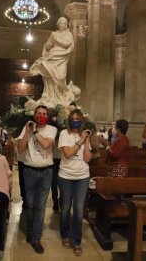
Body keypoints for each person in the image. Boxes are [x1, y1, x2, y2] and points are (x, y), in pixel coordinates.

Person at [17, 105, 57, 254]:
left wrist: (34, 131)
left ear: (47, 116)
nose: (41, 115)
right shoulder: (27, 128)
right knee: (30, 204)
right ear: (34, 115)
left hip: (46, 172)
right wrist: (27, 132)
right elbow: (20, 149)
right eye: (38, 113)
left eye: (44, 114)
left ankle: (36, 238)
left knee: (40, 206)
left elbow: (46, 144)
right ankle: (31, 230)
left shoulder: (52, 130)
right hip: (29, 171)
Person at [57, 109, 91, 257]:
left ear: (81, 120)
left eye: (78, 118)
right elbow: (67, 153)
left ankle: (76, 241)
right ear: (69, 120)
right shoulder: (65, 134)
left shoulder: (85, 135)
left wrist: (87, 140)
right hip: (65, 176)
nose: (75, 120)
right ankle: (65, 235)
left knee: (78, 211)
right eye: (73, 118)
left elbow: (88, 159)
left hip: (82, 176)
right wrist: (81, 141)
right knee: (65, 209)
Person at [29, 17, 80, 107]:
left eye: (64, 23)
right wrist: (51, 40)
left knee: (60, 76)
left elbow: (67, 43)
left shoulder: (68, 34)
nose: (62, 25)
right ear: (58, 24)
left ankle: (61, 95)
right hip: (52, 56)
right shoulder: (54, 34)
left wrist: (55, 39)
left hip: (61, 57)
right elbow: (48, 47)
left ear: (66, 25)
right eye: (61, 23)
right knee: (50, 76)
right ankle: (50, 97)